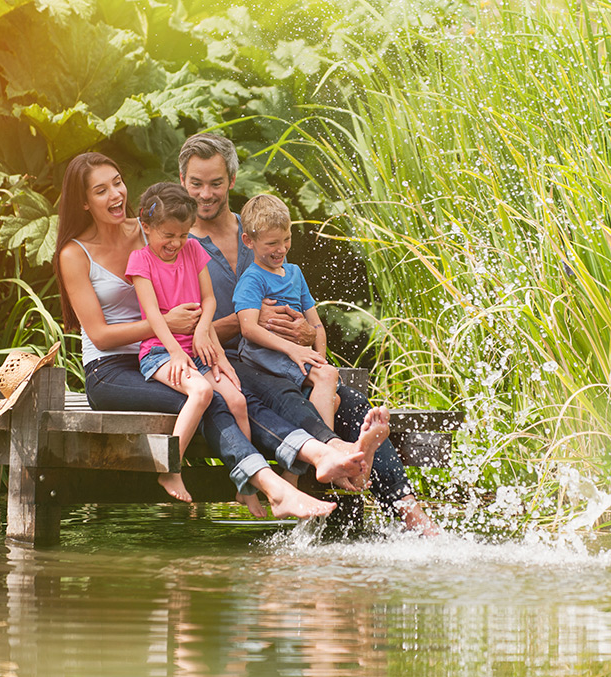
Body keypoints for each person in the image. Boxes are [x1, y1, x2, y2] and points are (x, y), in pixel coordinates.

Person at [53, 152, 377, 520]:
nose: (115, 194)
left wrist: (207, 333)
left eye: (117, 182)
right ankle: (275, 485)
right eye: (101, 190)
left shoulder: (151, 227)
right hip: (112, 370)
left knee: (237, 394)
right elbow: (99, 334)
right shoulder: (74, 253)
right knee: (210, 400)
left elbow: (192, 279)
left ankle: (321, 453)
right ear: (83, 201)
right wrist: (168, 323)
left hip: (176, 350)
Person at [178, 132, 439, 534]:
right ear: (182, 181)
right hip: (223, 363)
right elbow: (181, 330)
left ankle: (413, 518)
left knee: (351, 402)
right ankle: (330, 460)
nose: (206, 193)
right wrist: (249, 321)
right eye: (196, 183)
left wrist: (303, 330)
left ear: (231, 179)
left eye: (215, 182)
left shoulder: (260, 230)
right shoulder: (176, 246)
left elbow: (294, 303)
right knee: (283, 396)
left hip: (278, 355)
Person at [126, 182, 250, 503]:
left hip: (195, 347)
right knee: (202, 390)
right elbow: (153, 316)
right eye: (168, 235)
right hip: (160, 352)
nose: (176, 243)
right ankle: (169, 467)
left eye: (182, 234)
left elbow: (208, 301)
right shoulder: (141, 261)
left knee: (237, 401)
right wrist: (176, 352)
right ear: (146, 226)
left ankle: (244, 480)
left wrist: (201, 331)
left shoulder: (194, 249)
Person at [234, 194, 340, 432]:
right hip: (265, 356)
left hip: (293, 355)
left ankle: (298, 469)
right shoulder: (252, 279)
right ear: (248, 241)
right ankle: (329, 450)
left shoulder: (295, 273)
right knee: (327, 376)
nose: (281, 249)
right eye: (271, 243)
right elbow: (248, 328)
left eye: (287, 239)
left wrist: (318, 358)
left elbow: (316, 326)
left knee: (333, 396)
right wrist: (295, 350)